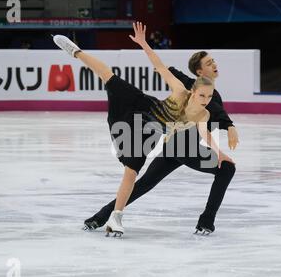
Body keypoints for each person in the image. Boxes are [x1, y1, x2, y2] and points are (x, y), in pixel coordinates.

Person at [53, 22, 233, 236]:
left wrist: (220, 153)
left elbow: (204, 132)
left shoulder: (203, 112)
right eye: (202, 95)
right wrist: (143, 43)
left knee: (135, 178)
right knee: (108, 76)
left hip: (153, 135)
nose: (206, 100)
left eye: (209, 97)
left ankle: (108, 217)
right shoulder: (180, 90)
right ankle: (76, 51)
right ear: (193, 90)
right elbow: (159, 66)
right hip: (143, 109)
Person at [83, 51, 238, 235]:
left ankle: (99, 217)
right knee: (227, 169)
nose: (214, 64)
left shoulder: (207, 93)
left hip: (175, 146)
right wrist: (229, 126)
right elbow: (216, 112)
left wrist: (166, 68)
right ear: (199, 72)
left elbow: (207, 119)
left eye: (214, 61)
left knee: (144, 183)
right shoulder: (199, 91)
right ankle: (206, 221)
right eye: (209, 63)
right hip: (184, 147)